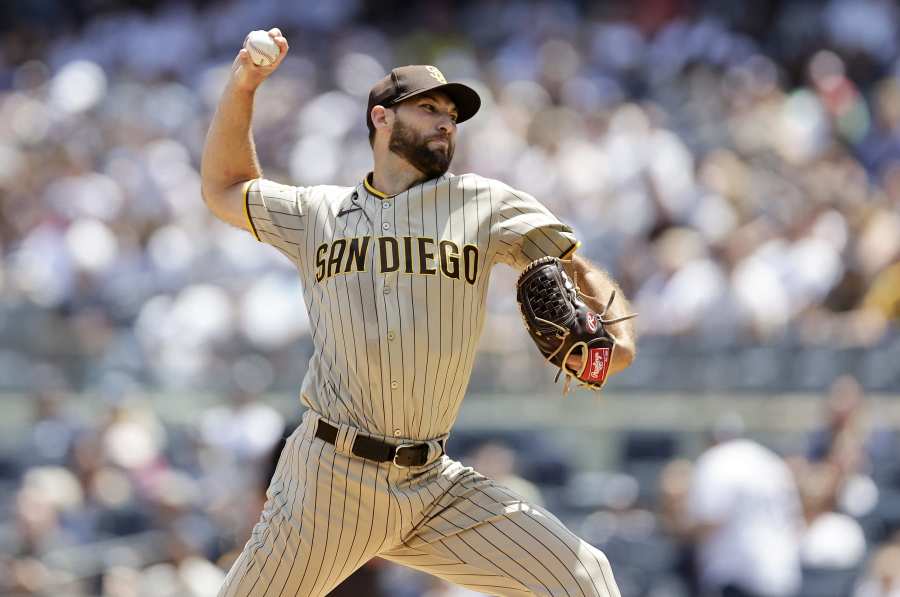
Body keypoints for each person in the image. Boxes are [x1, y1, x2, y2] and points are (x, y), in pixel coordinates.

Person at [200, 28, 636, 597]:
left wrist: (613, 332)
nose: (445, 122)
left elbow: (576, 264)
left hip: (432, 483)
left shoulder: (485, 203)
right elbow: (224, 187)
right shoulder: (318, 212)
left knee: (584, 577)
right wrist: (245, 84)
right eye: (429, 108)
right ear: (381, 118)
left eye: (452, 114)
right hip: (331, 478)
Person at [687, 418, 803, 597]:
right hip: (781, 572)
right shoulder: (771, 461)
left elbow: (709, 522)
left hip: (738, 577)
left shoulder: (716, 460)